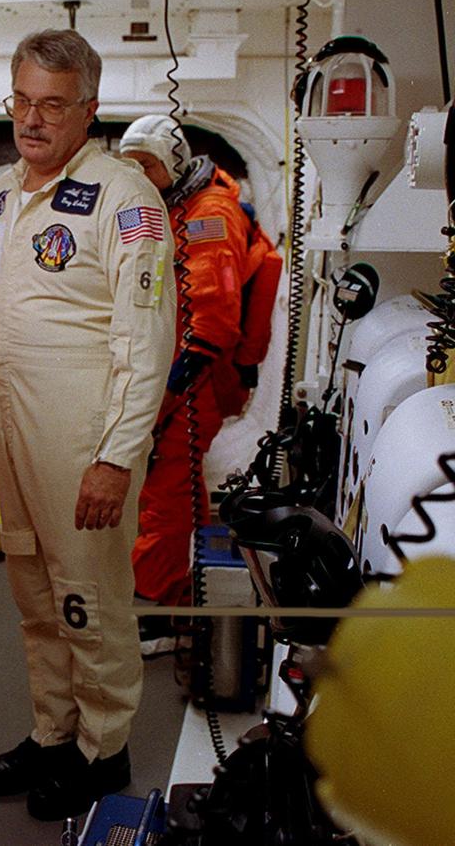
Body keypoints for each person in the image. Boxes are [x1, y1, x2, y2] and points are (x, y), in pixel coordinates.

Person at [0, 29, 176, 821]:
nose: (32, 121)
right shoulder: (6, 195)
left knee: (90, 598)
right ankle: (53, 731)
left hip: (82, 435)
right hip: (11, 426)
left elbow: (146, 337)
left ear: (89, 110)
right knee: (36, 595)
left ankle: (104, 750)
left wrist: (116, 456)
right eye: (22, 101)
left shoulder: (125, 198)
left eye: (52, 105)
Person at [118, 114, 281, 618]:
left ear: (173, 161)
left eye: (147, 164)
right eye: (132, 167)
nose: (139, 176)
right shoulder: (172, 205)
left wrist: (167, 392)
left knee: (164, 491)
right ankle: (175, 585)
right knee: (172, 485)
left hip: (196, 378)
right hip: (172, 371)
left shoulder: (209, 216)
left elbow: (213, 322)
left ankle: (157, 602)